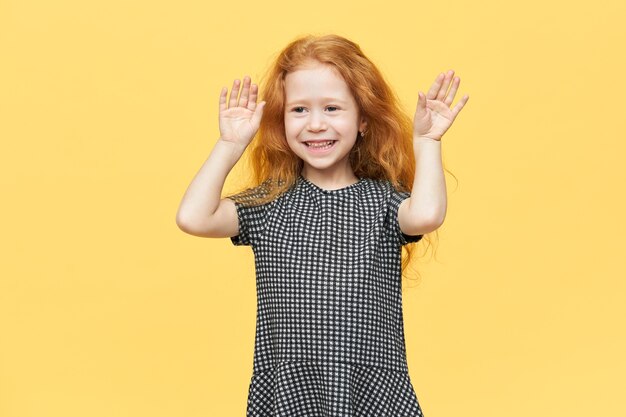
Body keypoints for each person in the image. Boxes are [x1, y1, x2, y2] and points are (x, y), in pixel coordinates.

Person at [176, 33, 469, 417]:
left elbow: (427, 214)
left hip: (371, 391)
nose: (315, 124)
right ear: (281, 122)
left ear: (362, 120)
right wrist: (230, 144)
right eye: (299, 110)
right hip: (290, 390)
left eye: (332, 109)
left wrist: (428, 141)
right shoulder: (270, 203)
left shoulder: (382, 202)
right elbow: (193, 217)